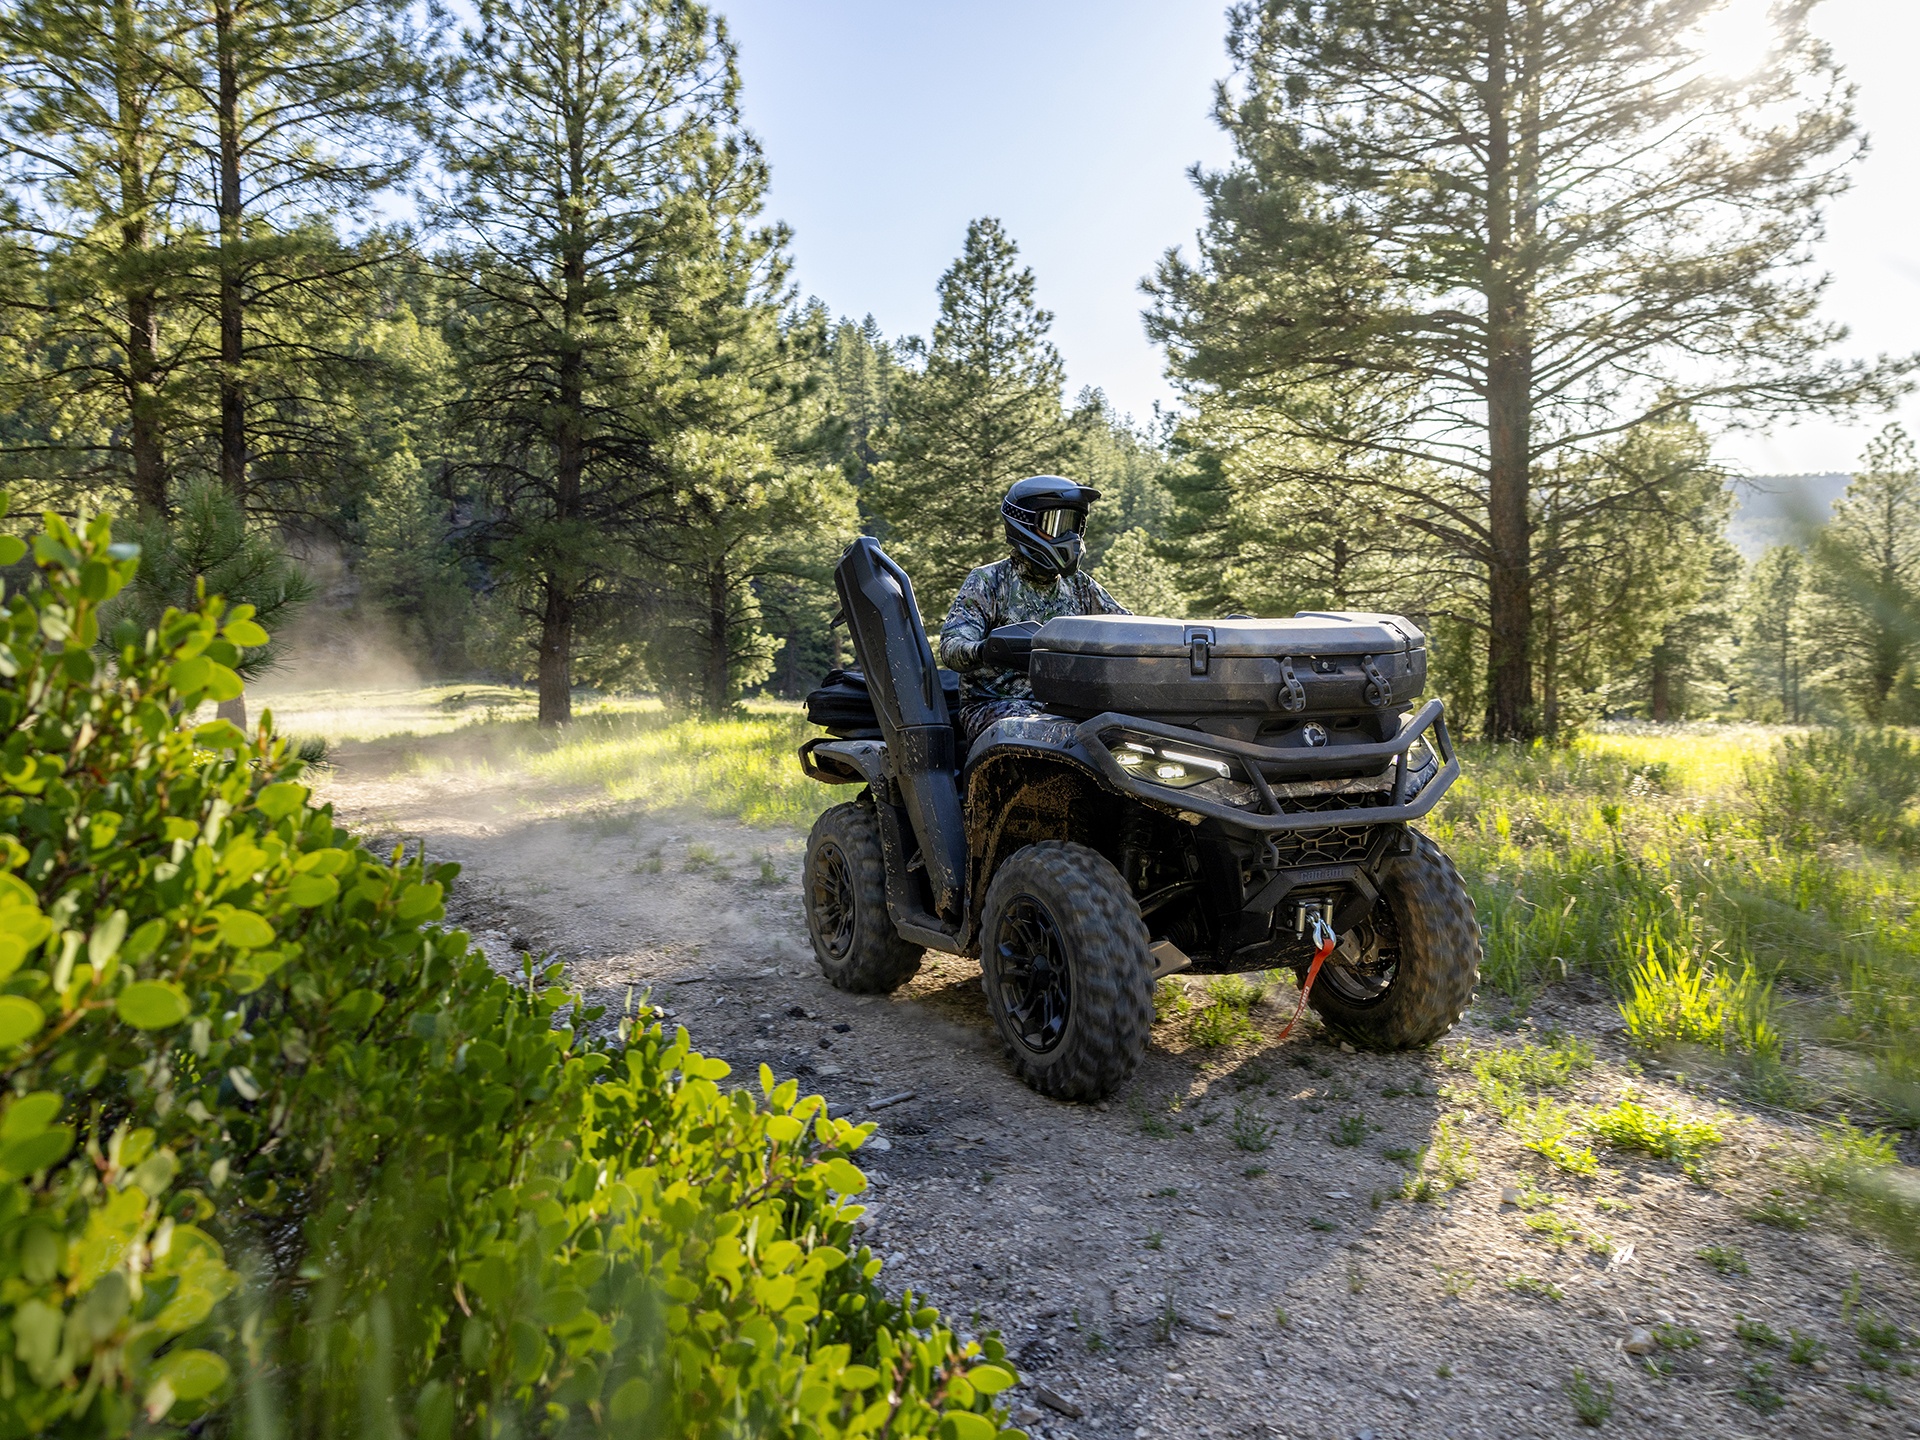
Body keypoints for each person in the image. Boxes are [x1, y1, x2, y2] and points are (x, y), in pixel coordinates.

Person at [938, 475, 1129, 747]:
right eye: (1057, 525)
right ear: (1023, 522)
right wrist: (988, 649)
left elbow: (1126, 627)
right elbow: (951, 647)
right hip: (995, 706)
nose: (1069, 537)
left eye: (1074, 526)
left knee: (1128, 733)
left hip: (1066, 706)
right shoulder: (989, 580)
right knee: (1047, 734)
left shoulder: (1080, 585)